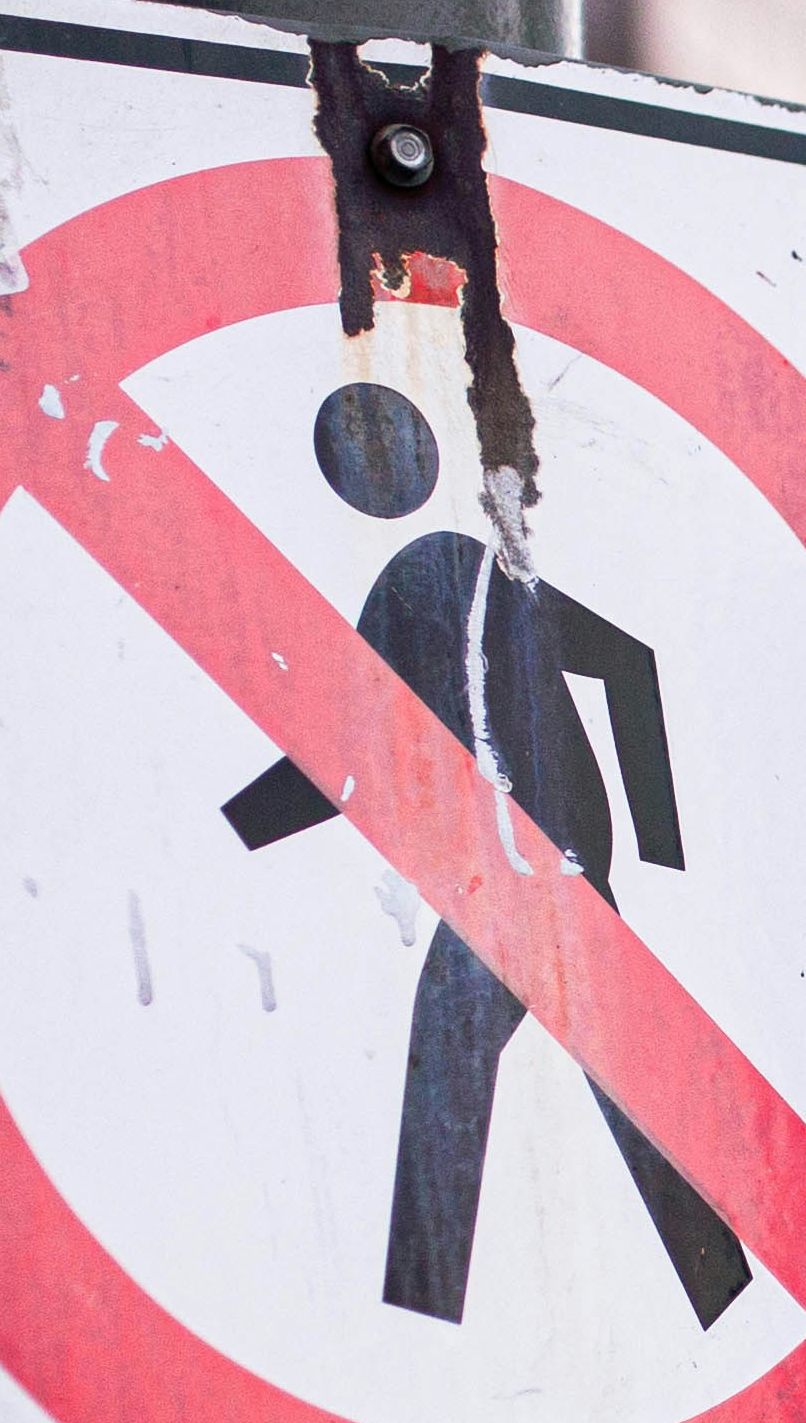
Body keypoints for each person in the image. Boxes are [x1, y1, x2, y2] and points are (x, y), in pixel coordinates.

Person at [224, 380, 752, 1330]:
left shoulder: (420, 580)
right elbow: (624, 663)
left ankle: (417, 1325)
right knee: (586, 1076)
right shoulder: (474, 568)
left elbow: (338, 760)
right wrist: (640, 844)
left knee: (452, 1063)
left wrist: (230, 836)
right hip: (555, 873)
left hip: (521, 883)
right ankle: (722, 1290)